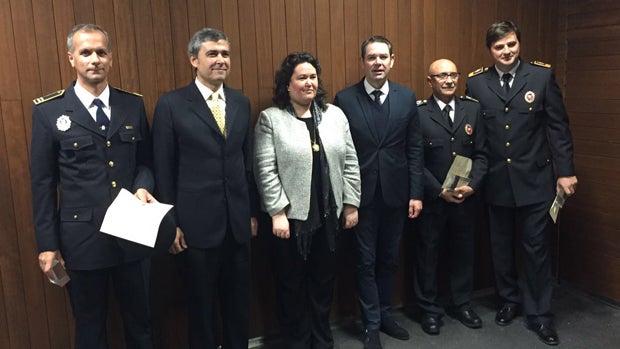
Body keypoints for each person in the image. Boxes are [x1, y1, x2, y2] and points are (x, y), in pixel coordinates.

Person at [30, 24, 155, 349]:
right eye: (86, 52)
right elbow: (43, 183)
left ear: (111, 58)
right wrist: (47, 244)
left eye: (101, 52)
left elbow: (145, 162)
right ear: (71, 57)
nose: (94, 59)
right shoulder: (49, 111)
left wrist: (143, 186)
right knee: (90, 328)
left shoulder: (132, 105)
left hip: (133, 234)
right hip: (82, 239)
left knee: (140, 324)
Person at [466, 20, 578, 346]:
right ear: (490, 50)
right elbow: (473, 138)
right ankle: (509, 300)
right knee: (500, 250)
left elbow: (558, 127)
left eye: (511, 44)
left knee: (536, 250)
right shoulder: (476, 84)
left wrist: (565, 171)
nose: (506, 51)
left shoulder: (541, 76)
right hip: (496, 181)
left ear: (519, 43)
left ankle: (540, 314)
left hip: (536, 180)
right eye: (499, 46)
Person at [151, 28, 257, 349]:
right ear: (193, 60)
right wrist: (171, 225)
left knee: (238, 306)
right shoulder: (171, 104)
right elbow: (163, 169)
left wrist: (251, 212)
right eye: (212, 54)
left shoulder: (241, 102)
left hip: (237, 224)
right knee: (200, 308)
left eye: (225, 54)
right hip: (195, 228)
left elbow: (247, 164)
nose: (221, 60)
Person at [254, 52, 361, 349]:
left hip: (329, 218)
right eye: (301, 77)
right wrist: (277, 212)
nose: (309, 82)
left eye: (313, 76)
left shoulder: (335, 115)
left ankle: (321, 339)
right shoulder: (271, 119)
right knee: (291, 287)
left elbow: (350, 161)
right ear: (287, 85)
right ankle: (297, 342)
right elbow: (264, 169)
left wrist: (351, 203)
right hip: (291, 222)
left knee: (323, 283)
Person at [334, 36, 424, 349]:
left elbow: (414, 148)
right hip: (361, 198)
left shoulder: (406, 97)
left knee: (389, 259)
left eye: (383, 57)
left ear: (392, 60)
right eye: (371, 57)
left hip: (398, 196)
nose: (378, 63)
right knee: (364, 261)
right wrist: (347, 200)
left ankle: (385, 314)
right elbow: (342, 154)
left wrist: (416, 193)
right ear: (363, 62)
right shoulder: (345, 99)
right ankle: (371, 324)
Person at [414, 59, 487, 335]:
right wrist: (438, 191)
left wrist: (473, 185)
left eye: (453, 75)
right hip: (433, 199)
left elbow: (482, 154)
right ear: (429, 80)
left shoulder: (473, 109)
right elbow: (415, 160)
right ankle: (429, 309)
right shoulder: (419, 112)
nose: (448, 80)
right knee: (427, 254)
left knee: (463, 253)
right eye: (441, 75)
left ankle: (462, 304)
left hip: (465, 198)